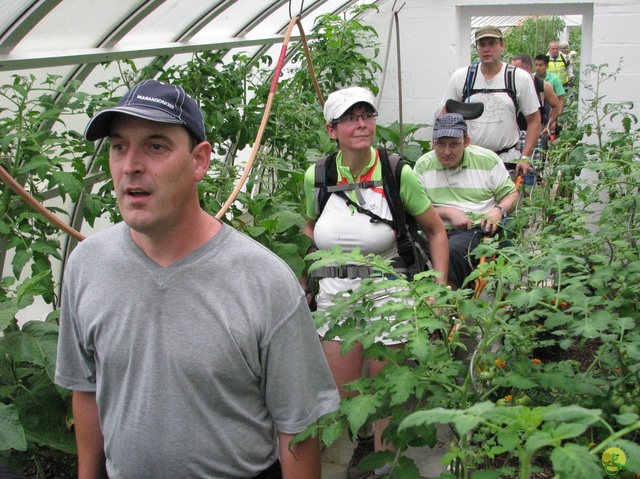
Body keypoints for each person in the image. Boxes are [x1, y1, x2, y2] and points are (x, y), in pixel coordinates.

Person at [54, 79, 340, 479]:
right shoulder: (87, 265)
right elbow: (85, 389)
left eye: (156, 146)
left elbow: (299, 428)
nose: (131, 165)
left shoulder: (264, 281)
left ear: (199, 161)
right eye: (119, 146)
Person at [303, 86, 449, 478]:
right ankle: (365, 440)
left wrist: (437, 289)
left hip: (389, 290)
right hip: (335, 295)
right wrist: (309, 279)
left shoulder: (397, 171)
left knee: (387, 390)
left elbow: (435, 231)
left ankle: (385, 465)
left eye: (367, 115)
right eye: (351, 117)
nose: (362, 123)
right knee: (345, 392)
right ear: (332, 129)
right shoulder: (318, 176)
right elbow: (311, 227)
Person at [414, 113, 520, 290]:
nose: (447, 151)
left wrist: (498, 210)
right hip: (432, 228)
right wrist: (448, 212)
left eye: (454, 144)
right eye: (441, 144)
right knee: (411, 253)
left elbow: (513, 196)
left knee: (451, 251)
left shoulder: (487, 161)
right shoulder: (423, 166)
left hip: (475, 228)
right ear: (433, 143)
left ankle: (447, 304)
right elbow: (415, 208)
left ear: (466, 141)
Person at [440, 25, 541, 178]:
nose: (487, 49)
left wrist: (525, 157)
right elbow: (444, 116)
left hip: (507, 161)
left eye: (492, 43)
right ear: (477, 48)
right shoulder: (462, 77)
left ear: (502, 45)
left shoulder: (518, 78)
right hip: (468, 161)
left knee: (506, 201)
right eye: (482, 44)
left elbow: (534, 120)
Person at [512, 54, 562, 134]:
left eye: (517, 71)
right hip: (514, 132)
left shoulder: (543, 86)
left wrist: (548, 125)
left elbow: (556, 106)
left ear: (528, 69)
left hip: (537, 131)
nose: (514, 74)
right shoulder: (510, 86)